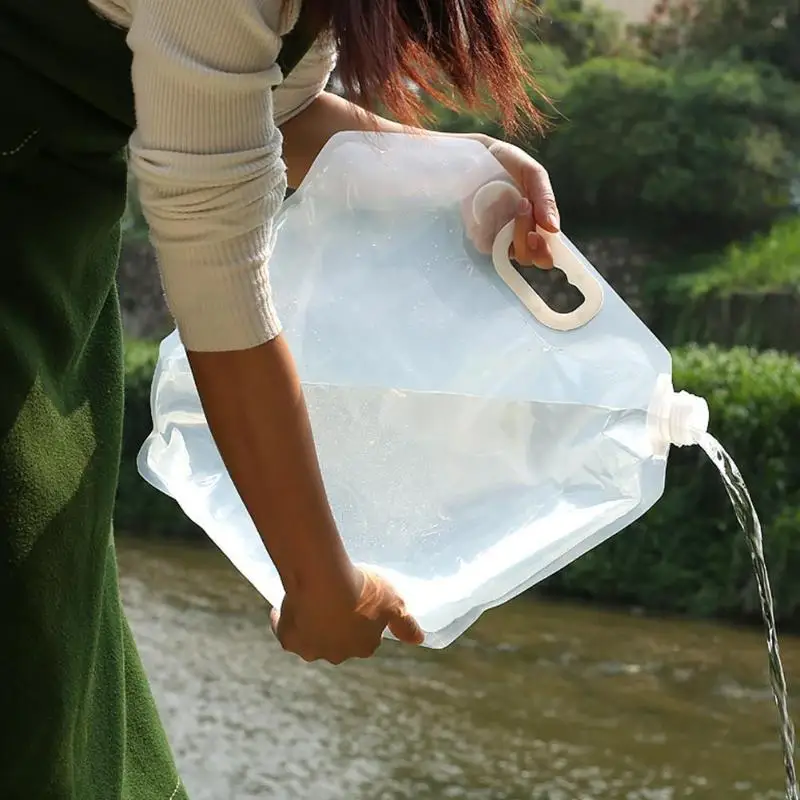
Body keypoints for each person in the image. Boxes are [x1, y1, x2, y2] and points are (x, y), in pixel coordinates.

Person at [0, 0, 561, 797]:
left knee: (58, 651)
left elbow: (260, 107)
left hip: (51, 254)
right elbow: (218, 268)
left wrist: (458, 172)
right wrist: (322, 582)